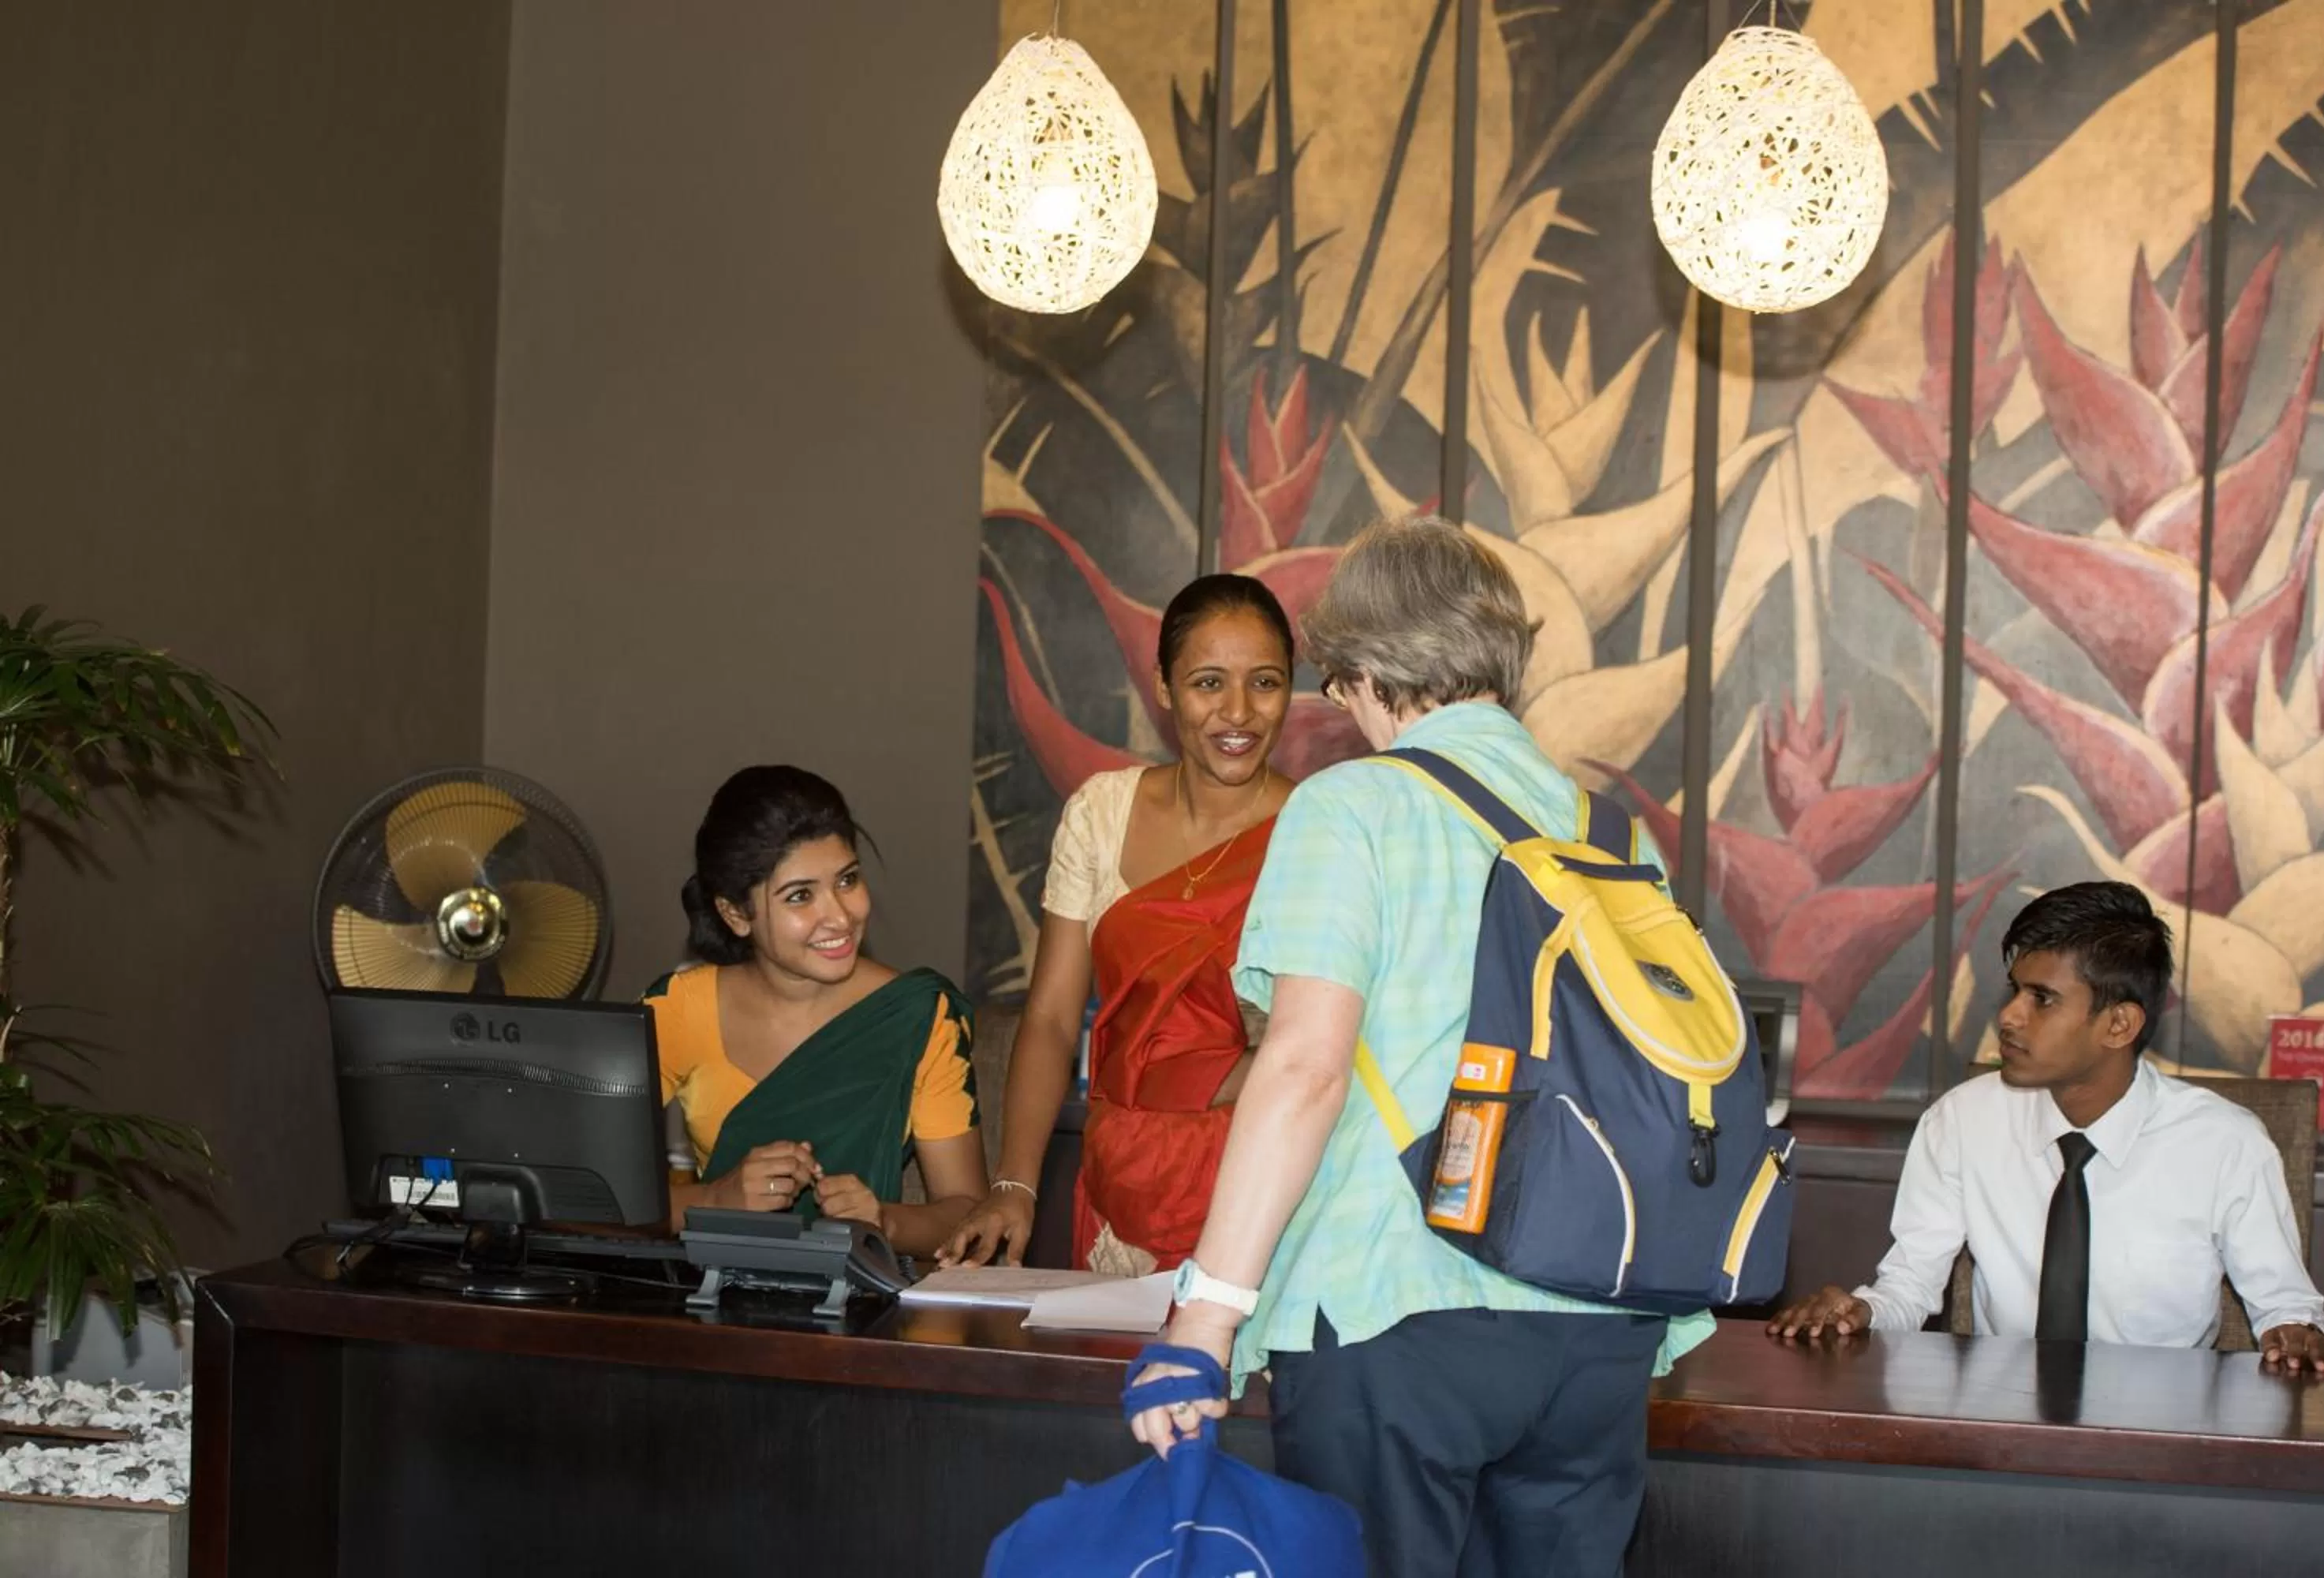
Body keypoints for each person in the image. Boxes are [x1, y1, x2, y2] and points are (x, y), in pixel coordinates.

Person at [1123, 518, 1717, 1578]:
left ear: (1359, 671)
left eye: (1336, 682)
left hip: (1398, 1306)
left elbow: (1303, 1065)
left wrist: (1206, 1316)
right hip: (1603, 1317)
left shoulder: (1352, 808)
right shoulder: (1611, 833)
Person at [1767, 881, 2324, 1374]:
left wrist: (2296, 1333)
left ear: (2119, 1024)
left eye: (2042, 999)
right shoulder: (1961, 1121)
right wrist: (1861, 1311)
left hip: (2162, 1439)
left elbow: (2284, 1305)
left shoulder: (2226, 1143)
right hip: (1996, 1431)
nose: (2008, 1015)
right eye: (2014, 991)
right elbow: (1911, 1285)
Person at [940, 574, 1297, 1274]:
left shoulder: (1319, 830)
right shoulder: (1102, 813)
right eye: (1207, 684)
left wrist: (1221, 1075)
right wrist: (1013, 1186)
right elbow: (1047, 1018)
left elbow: (1333, 1044)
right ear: (1163, 688)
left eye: (1264, 682)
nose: (1238, 713)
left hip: (1264, 1187)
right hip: (1121, 1182)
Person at [646, 765, 987, 1255]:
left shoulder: (916, 1016)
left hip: (861, 1310)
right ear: (735, 914)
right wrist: (713, 1199)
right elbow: (586, 1203)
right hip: (712, 1296)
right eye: (801, 895)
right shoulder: (679, 1009)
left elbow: (967, 1211)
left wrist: (883, 1221)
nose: (842, 916)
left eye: (847, 880)